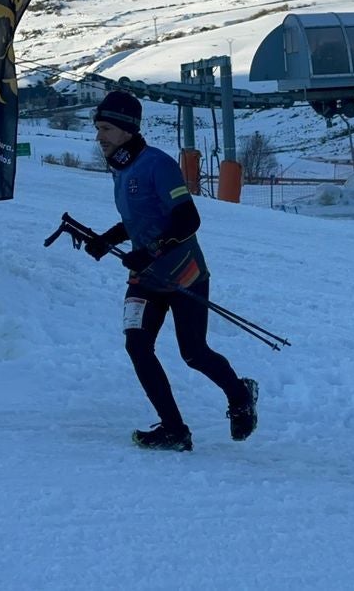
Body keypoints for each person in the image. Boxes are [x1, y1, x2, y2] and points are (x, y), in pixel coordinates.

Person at [81, 91, 258, 452]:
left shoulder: (157, 165)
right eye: (98, 128)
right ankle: (175, 429)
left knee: (193, 353)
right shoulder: (121, 168)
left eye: (106, 128)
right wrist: (106, 239)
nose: (99, 136)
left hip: (184, 273)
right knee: (137, 345)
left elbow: (188, 219)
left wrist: (150, 252)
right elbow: (139, 218)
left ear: (128, 129)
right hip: (146, 277)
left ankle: (240, 394)